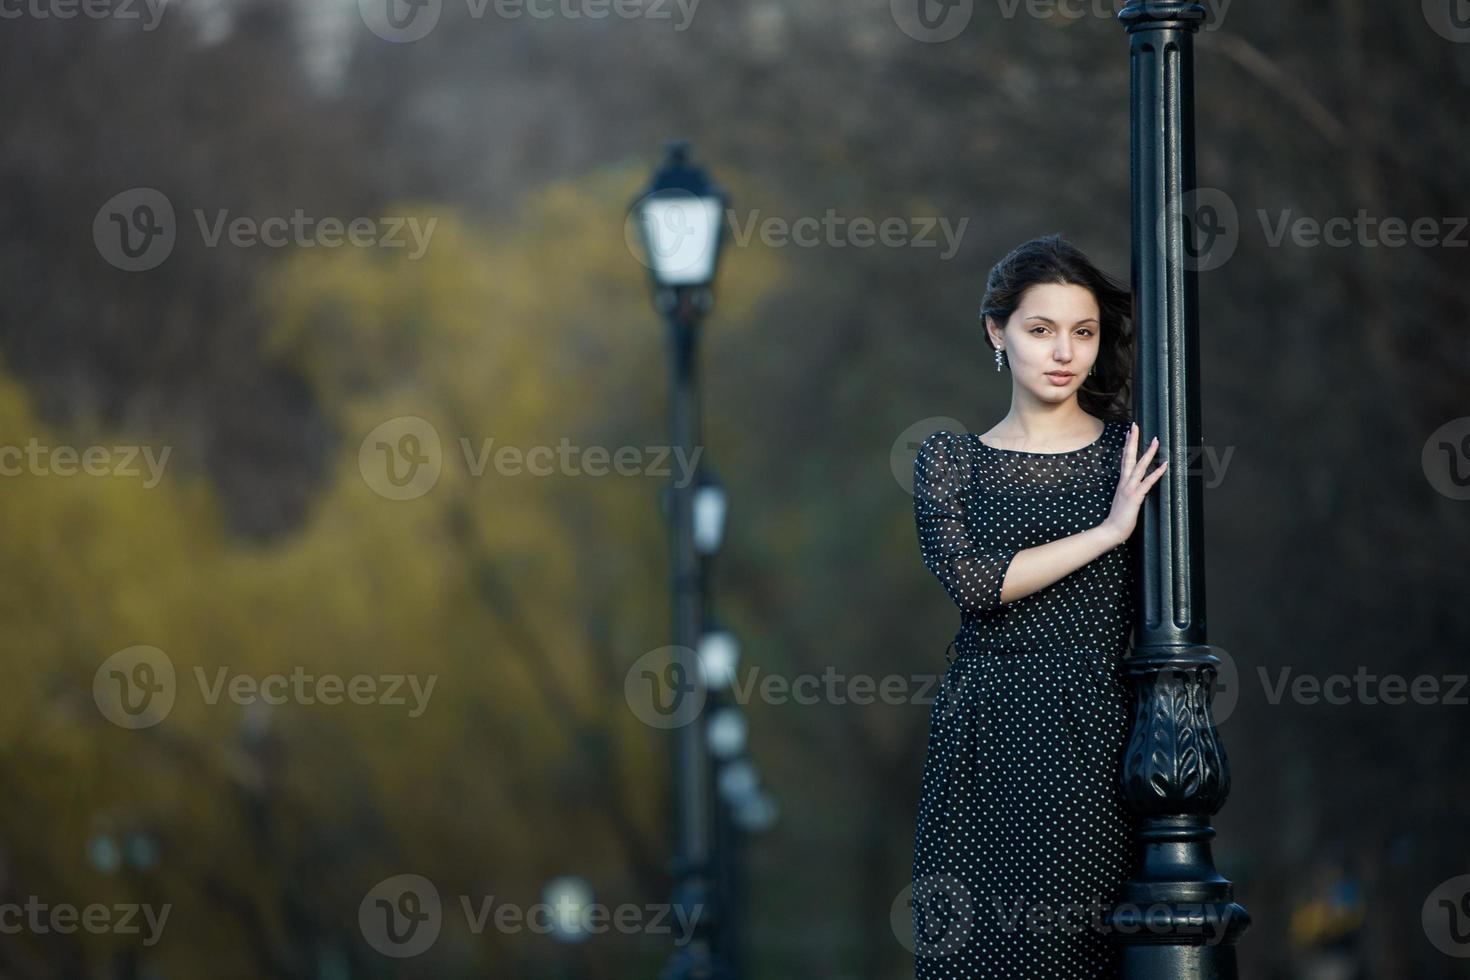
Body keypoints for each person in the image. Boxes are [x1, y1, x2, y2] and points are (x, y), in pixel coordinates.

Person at [909, 234, 1167, 978]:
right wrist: (1110, 531)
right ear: (998, 332)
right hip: (982, 730)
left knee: (1078, 947)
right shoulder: (950, 458)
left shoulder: (1133, 452)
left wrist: (1125, 517)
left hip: (1094, 725)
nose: (1065, 352)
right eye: (1041, 329)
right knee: (976, 952)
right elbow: (973, 584)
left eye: (1083, 333)